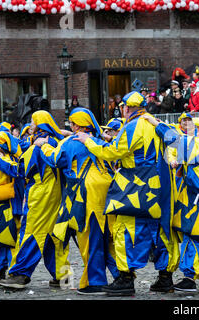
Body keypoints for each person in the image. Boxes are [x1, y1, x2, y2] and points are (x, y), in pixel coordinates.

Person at [73, 91, 178, 296]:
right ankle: (166, 278)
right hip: (161, 186)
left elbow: (112, 152)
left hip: (136, 187)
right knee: (162, 229)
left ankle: (125, 278)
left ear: (126, 108)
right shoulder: (154, 123)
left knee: (125, 229)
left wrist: (88, 141)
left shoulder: (132, 126)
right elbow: (176, 140)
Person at [37, 108, 120, 295]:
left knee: (88, 239)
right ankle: (121, 276)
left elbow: (56, 159)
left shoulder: (72, 141)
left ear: (75, 124)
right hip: (106, 191)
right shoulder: (98, 139)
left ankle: (94, 282)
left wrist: (44, 145)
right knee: (105, 238)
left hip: (85, 195)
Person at [146, 114, 199, 292]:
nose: (196, 130)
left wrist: (157, 124)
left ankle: (189, 277)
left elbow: (175, 139)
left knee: (195, 234)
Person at [0, 111, 70, 289]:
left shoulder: (40, 144)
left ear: (39, 124)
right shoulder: (51, 140)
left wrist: (0, 161)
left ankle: (19, 275)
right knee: (52, 236)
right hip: (54, 195)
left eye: (32, 121)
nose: (30, 125)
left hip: (40, 196)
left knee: (31, 233)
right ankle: (63, 276)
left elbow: (20, 170)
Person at [0, 131, 24, 286]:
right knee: (9, 241)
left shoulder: (4, 161)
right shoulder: (14, 159)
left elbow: (16, 171)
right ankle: (7, 272)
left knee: (1, 241)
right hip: (11, 206)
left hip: (4, 206)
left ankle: (5, 273)